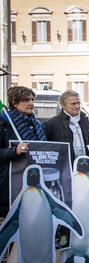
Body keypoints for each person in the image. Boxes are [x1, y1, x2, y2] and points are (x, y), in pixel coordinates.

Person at [0, 86, 46, 217]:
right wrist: (15, 151)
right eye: (26, 100)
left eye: (32, 99)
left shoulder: (37, 124)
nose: (31, 103)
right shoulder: (4, 124)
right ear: (14, 103)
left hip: (34, 182)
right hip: (10, 185)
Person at [44, 90, 89, 162]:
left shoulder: (86, 121)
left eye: (78, 103)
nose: (77, 106)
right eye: (73, 104)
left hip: (85, 166)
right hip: (65, 168)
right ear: (63, 105)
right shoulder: (51, 124)